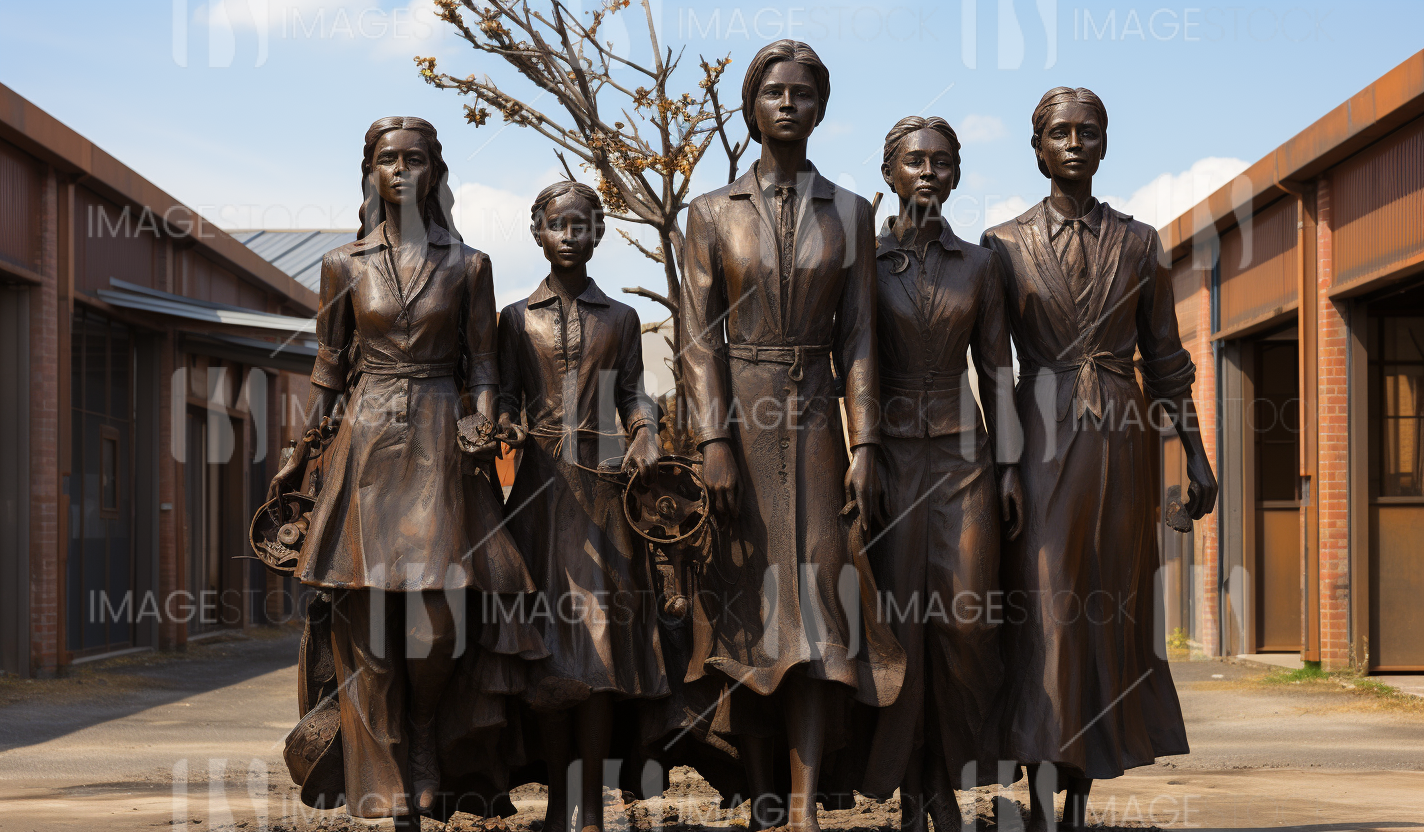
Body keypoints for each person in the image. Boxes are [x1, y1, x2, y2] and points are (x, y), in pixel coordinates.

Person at [266, 116, 542, 828]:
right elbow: (330, 368)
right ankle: (383, 776)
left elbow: (484, 364)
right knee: (367, 622)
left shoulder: (469, 265)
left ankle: (425, 730)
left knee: (439, 621)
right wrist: (301, 451)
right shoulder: (344, 264)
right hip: (367, 442)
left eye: (414, 159)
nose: (400, 170)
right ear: (371, 172)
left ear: (434, 172)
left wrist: (484, 421)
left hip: (441, 440)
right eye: (387, 159)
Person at [679, 39, 904, 832]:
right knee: (747, 611)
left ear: (820, 108)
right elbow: (697, 339)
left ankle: (806, 806)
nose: (788, 103)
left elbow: (861, 337)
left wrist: (866, 444)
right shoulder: (710, 213)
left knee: (816, 612)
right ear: (751, 107)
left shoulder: (852, 212)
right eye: (773, 91)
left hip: (814, 422)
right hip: (740, 421)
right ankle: (762, 794)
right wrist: (712, 441)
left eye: (803, 93)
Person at [979, 88, 1218, 831]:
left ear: (1105, 144)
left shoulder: (1140, 242)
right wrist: (1005, 466)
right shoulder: (1002, 244)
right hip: (1040, 434)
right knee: (1046, 611)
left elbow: (1167, 358)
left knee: (1106, 613)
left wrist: (1196, 454)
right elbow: (993, 369)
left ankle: (1080, 799)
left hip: (1122, 438)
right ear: (1038, 149)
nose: (1074, 143)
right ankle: (1038, 795)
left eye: (1088, 132)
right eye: (1060, 133)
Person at [859, 115, 1024, 832]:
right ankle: (912, 786)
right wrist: (861, 451)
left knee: (965, 623)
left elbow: (997, 369)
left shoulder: (980, 264)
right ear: (890, 171)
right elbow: (853, 361)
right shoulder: (864, 262)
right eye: (915, 160)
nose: (929, 171)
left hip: (964, 461)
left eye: (942, 162)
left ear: (956, 175)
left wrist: (1009, 464)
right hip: (891, 457)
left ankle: (950, 776)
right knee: (900, 627)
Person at [496, 180, 666, 832]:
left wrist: (645, 432)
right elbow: (504, 395)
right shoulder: (515, 319)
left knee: (599, 652)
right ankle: (557, 804)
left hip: (604, 492)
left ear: (597, 234)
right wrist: (505, 423)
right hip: (538, 495)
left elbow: (634, 393)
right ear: (538, 233)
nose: (569, 235)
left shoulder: (620, 319)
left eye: (581, 224)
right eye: (557, 224)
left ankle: (592, 805)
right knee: (546, 651)